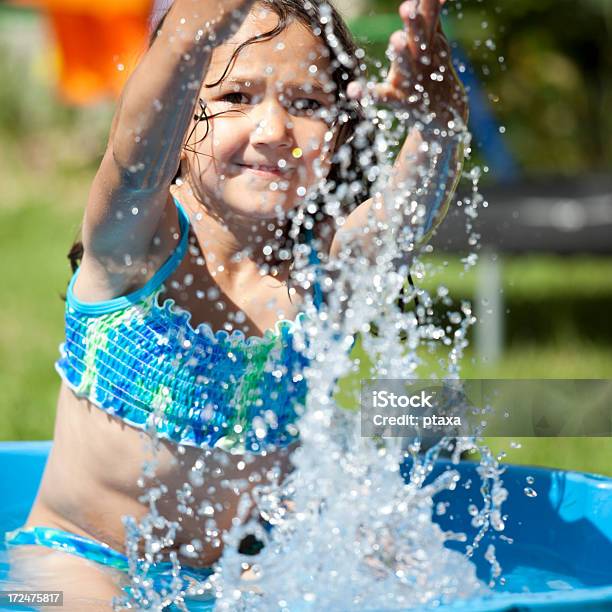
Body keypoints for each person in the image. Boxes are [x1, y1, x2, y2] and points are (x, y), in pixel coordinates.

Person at [6, 0, 467, 608]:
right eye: (235, 97)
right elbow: (131, 157)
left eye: (306, 105)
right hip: (81, 556)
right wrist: (187, 36)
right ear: (179, 116)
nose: (273, 131)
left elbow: (407, 215)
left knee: (384, 564)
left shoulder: (325, 276)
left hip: (247, 567)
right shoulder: (136, 247)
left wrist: (439, 121)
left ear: (338, 131)